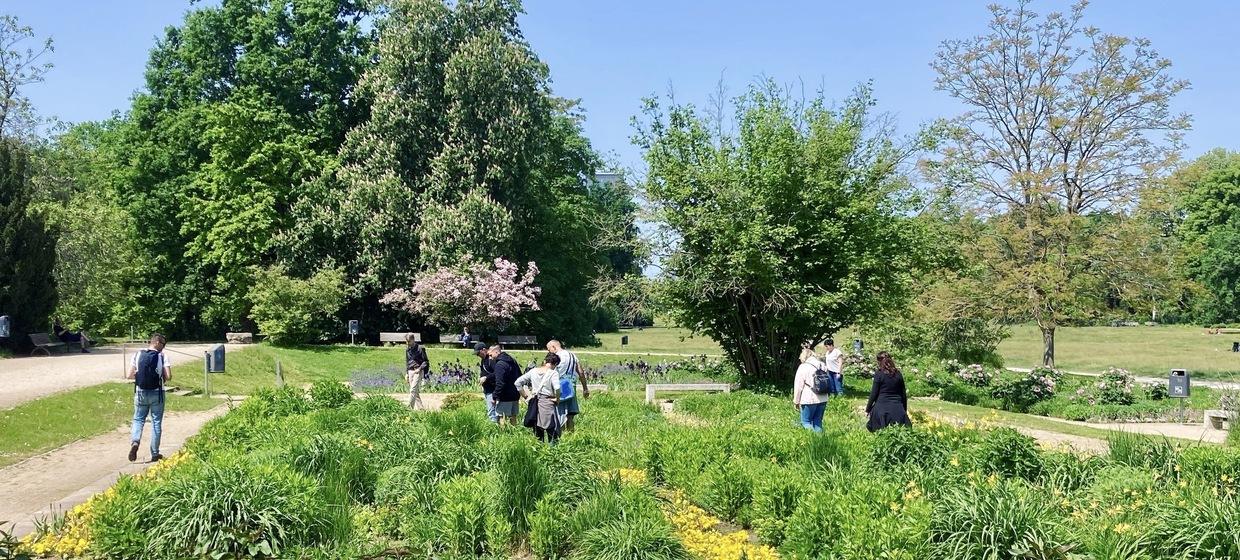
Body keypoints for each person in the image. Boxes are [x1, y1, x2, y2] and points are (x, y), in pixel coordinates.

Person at [126, 333, 171, 462]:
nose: (163, 347)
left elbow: (129, 375)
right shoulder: (162, 356)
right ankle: (155, 453)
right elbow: (168, 376)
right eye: (162, 344)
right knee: (156, 423)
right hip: (157, 393)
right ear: (156, 342)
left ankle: (135, 442)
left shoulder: (137, 354)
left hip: (140, 392)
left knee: (138, 420)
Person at [516, 353, 562, 443]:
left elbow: (518, 382)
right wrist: (557, 399)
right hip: (547, 402)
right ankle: (553, 452)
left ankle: (538, 450)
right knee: (552, 429)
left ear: (545, 361)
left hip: (534, 401)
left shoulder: (533, 371)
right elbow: (557, 388)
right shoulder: (553, 373)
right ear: (555, 364)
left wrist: (525, 396)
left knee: (537, 430)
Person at [546, 339, 590, 432]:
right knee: (570, 415)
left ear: (553, 347)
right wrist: (585, 388)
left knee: (559, 414)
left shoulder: (555, 357)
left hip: (558, 388)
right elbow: (581, 373)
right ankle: (571, 436)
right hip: (571, 388)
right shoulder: (572, 355)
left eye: (549, 349)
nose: (549, 352)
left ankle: (560, 437)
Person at [866, 351, 912, 432]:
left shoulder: (879, 374)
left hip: (882, 408)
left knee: (877, 429)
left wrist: (868, 409)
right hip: (897, 407)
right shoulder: (898, 374)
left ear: (879, 361)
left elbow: (874, 394)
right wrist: (903, 410)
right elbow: (903, 395)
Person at [792, 347, 828, 432]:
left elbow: (798, 386)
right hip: (823, 397)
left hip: (809, 398)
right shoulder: (822, 365)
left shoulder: (803, 367)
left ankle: (814, 441)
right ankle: (822, 442)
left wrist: (796, 401)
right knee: (817, 421)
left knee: (806, 422)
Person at [488, 344, 522, 426]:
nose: (490, 357)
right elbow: (520, 375)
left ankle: (503, 435)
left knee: (501, 417)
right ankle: (514, 434)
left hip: (505, 396)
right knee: (513, 416)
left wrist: (495, 396)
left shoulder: (500, 364)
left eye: (490, 355)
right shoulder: (513, 361)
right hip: (515, 394)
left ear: (496, 352)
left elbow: (500, 383)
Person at [405, 333, 429, 410]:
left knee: (413, 390)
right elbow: (407, 361)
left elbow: (426, 361)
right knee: (415, 392)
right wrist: (406, 373)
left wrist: (419, 369)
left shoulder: (420, 348)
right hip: (410, 371)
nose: (407, 343)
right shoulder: (407, 349)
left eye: (409, 341)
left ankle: (408, 408)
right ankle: (421, 409)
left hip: (418, 370)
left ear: (413, 340)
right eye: (406, 341)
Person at [475, 342, 497, 422]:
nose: (478, 355)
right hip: (487, 389)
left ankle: (494, 431)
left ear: (484, 350)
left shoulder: (491, 360)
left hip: (492, 389)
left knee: (492, 413)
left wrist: (486, 377)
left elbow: (497, 373)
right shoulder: (483, 360)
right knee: (491, 411)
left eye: (478, 353)